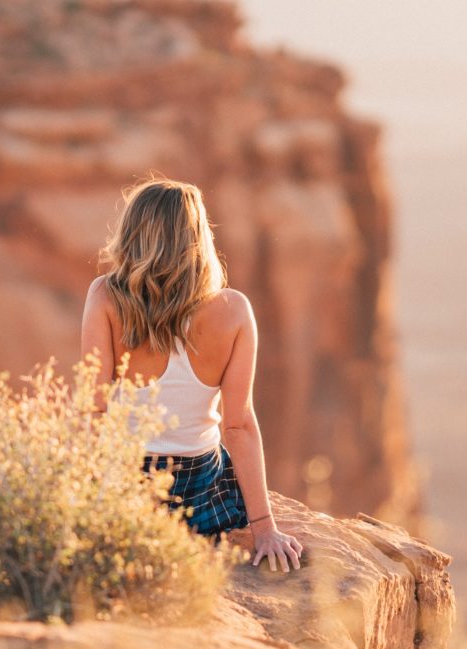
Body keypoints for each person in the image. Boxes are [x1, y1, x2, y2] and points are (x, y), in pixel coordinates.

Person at [80, 177, 304, 573]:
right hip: (201, 490)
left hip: (126, 481)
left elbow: (94, 412)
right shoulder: (234, 310)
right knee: (217, 455)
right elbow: (239, 425)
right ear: (198, 238)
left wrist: (91, 499)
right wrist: (264, 527)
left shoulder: (104, 296)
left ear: (133, 233)